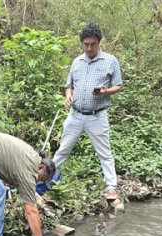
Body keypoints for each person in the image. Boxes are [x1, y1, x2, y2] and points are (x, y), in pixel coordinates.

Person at [52, 22, 122, 200]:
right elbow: (69, 86)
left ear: (99, 43)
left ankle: (111, 186)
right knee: (63, 149)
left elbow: (118, 85)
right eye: (86, 44)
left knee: (104, 152)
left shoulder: (110, 61)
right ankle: (45, 177)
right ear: (82, 43)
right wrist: (68, 96)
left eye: (93, 44)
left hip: (97, 116)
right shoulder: (77, 61)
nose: (89, 48)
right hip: (75, 114)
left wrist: (105, 91)